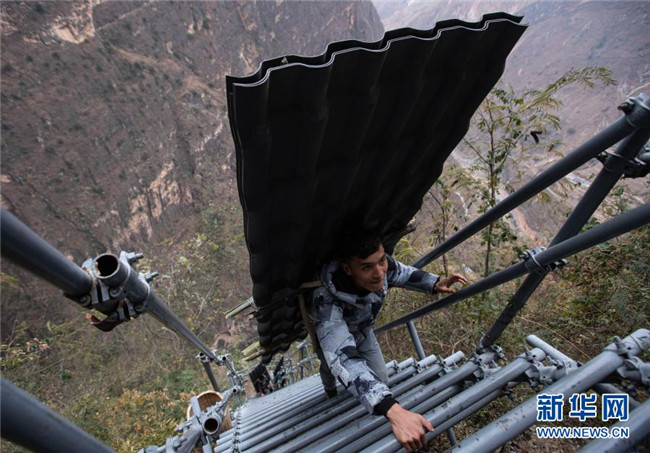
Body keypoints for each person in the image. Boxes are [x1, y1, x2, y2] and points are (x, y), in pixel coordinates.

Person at [310, 231, 467, 451]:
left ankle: (362, 394)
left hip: (363, 331)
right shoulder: (326, 301)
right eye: (367, 267)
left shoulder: (384, 268)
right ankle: (330, 390)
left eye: (381, 261)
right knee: (331, 367)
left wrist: (434, 283)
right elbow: (342, 356)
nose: (379, 273)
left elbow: (403, 273)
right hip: (337, 341)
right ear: (347, 269)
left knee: (381, 378)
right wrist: (394, 411)